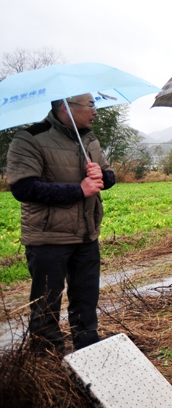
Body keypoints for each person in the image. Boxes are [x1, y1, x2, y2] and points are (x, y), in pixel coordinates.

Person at [6, 94, 115, 354]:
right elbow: (23, 187)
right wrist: (78, 190)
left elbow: (109, 175)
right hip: (48, 239)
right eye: (90, 105)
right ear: (67, 107)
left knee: (86, 300)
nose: (95, 111)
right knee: (46, 306)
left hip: (87, 234)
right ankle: (47, 364)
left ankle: (88, 352)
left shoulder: (89, 138)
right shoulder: (30, 138)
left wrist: (103, 176)